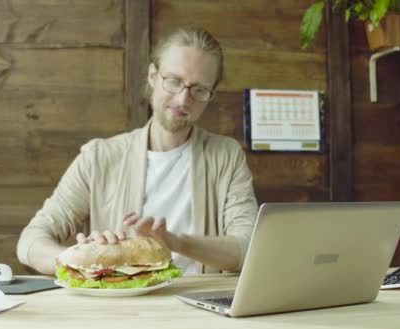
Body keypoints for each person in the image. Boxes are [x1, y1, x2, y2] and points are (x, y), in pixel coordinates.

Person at [17, 28, 257, 276]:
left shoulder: (226, 156)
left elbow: (249, 247)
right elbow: (30, 241)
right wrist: (77, 259)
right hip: (121, 312)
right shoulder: (98, 157)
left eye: (198, 89)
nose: (183, 100)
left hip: (200, 308)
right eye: (173, 81)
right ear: (153, 76)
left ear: (211, 94)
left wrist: (175, 242)